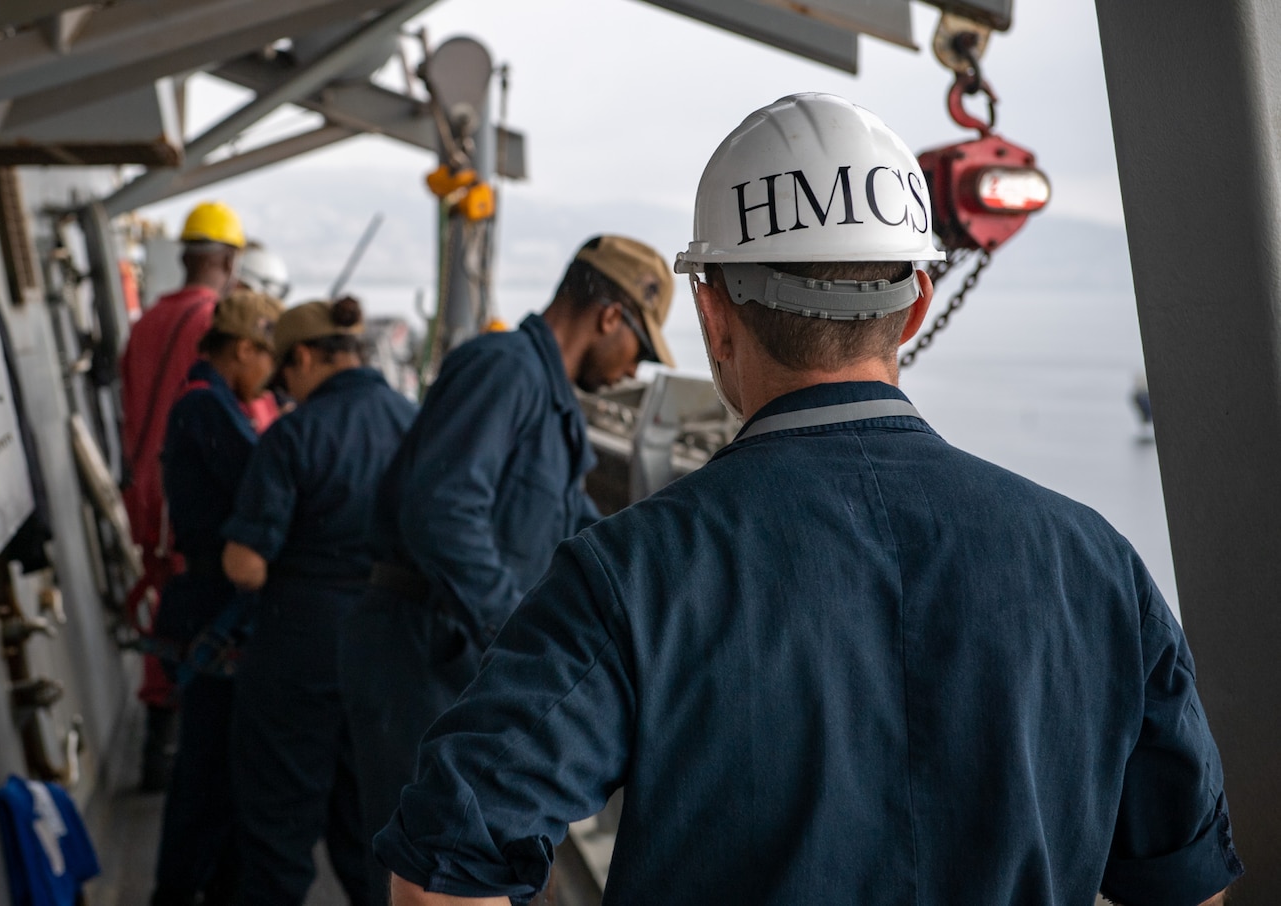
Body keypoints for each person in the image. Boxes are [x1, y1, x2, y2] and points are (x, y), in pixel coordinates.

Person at [376, 94, 1243, 906]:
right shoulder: (1097, 568)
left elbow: (442, 869)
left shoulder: (629, 574)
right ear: (914, 308)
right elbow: (1190, 882)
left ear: (714, 314)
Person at [340, 235, 675, 905]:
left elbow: (580, 532)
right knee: (426, 873)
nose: (633, 370)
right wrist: (514, 642)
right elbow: (441, 512)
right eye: (639, 347)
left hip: (449, 658)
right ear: (610, 316)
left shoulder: (551, 407)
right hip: (417, 655)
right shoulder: (505, 369)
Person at [219, 296, 418, 906]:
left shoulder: (294, 434)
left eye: (286, 378)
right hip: (392, 649)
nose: (286, 392)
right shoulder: (417, 421)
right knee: (374, 829)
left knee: (278, 831)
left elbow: (246, 566)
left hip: (299, 648)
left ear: (302, 357)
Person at [150, 288, 284, 906]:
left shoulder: (206, 404)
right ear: (244, 350)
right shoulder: (208, 411)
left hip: (208, 605)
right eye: (269, 359)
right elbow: (264, 488)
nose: (274, 374)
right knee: (208, 772)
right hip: (215, 610)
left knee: (218, 772)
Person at [120, 200, 250, 791]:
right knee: (200, 620)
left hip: (143, 493)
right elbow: (248, 416)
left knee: (165, 612)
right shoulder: (219, 322)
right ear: (226, 259)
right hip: (188, 494)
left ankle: (156, 752)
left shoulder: (146, 321)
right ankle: (181, 756)